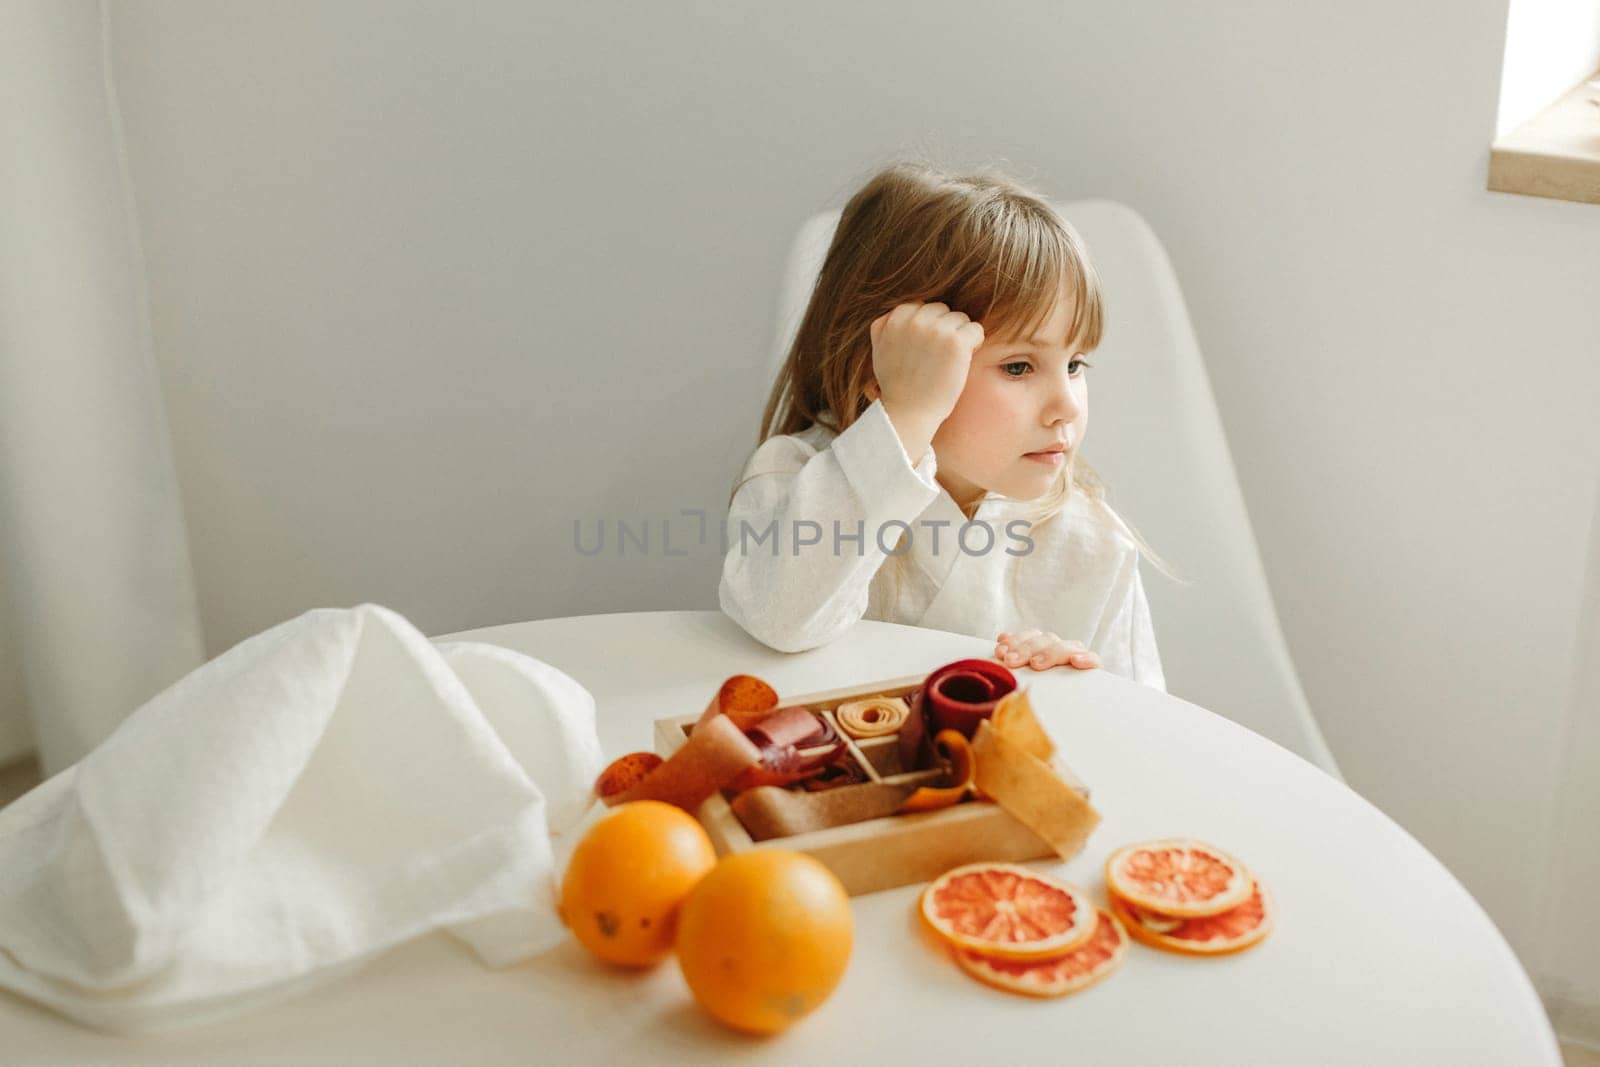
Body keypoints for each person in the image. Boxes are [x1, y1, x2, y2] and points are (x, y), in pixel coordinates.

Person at [717, 159, 1175, 690]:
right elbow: (781, 620)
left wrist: (1078, 690)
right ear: (886, 366)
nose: (1067, 406)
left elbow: (1145, 734)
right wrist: (905, 412)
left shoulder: (1090, 541)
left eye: (1075, 365)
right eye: (1019, 367)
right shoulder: (793, 476)